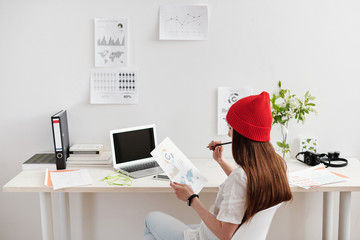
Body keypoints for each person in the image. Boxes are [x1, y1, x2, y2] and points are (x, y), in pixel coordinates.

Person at [142, 91, 293, 240]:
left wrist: (191, 198)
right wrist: (221, 161)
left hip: (211, 236)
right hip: (225, 234)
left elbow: (224, 234)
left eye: (230, 128)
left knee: (151, 218)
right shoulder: (278, 166)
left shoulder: (240, 178)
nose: (228, 134)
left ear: (242, 135)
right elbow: (247, 184)